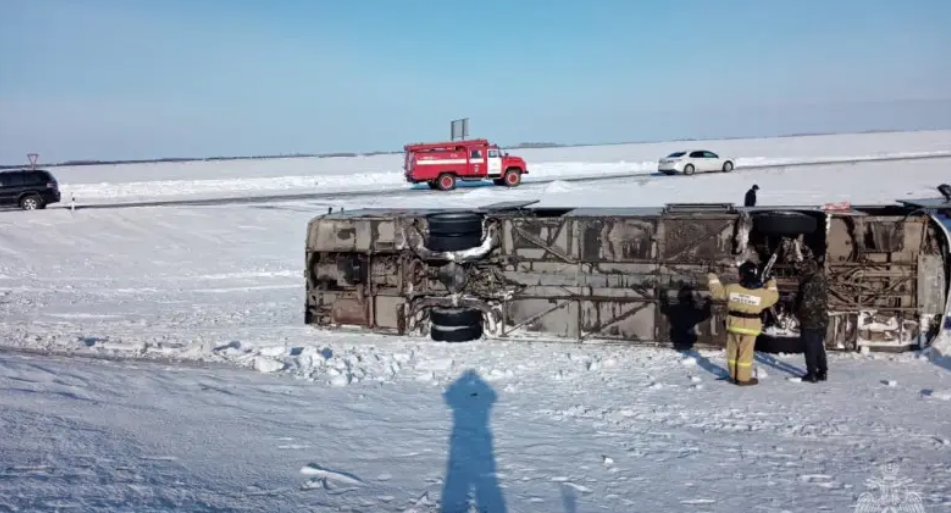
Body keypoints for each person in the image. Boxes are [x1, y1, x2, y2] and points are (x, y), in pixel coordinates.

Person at [707, 261, 779, 386]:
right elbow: (774, 297)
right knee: (745, 353)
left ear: (741, 275)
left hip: (734, 325)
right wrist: (771, 282)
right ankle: (743, 379)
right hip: (751, 327)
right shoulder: (762, 293)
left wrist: (712, 276)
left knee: (732, 351)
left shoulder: (732, 288)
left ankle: (733, 376)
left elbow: (716, 292)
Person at [795, 258, 829, 382]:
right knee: (819, 346)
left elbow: (807, 304)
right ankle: (823, 371)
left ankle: (812, 374)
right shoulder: (820, 279)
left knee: (810, 347)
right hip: (821, 319)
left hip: (810, 320)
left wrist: (799, 314)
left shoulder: (809, 283)